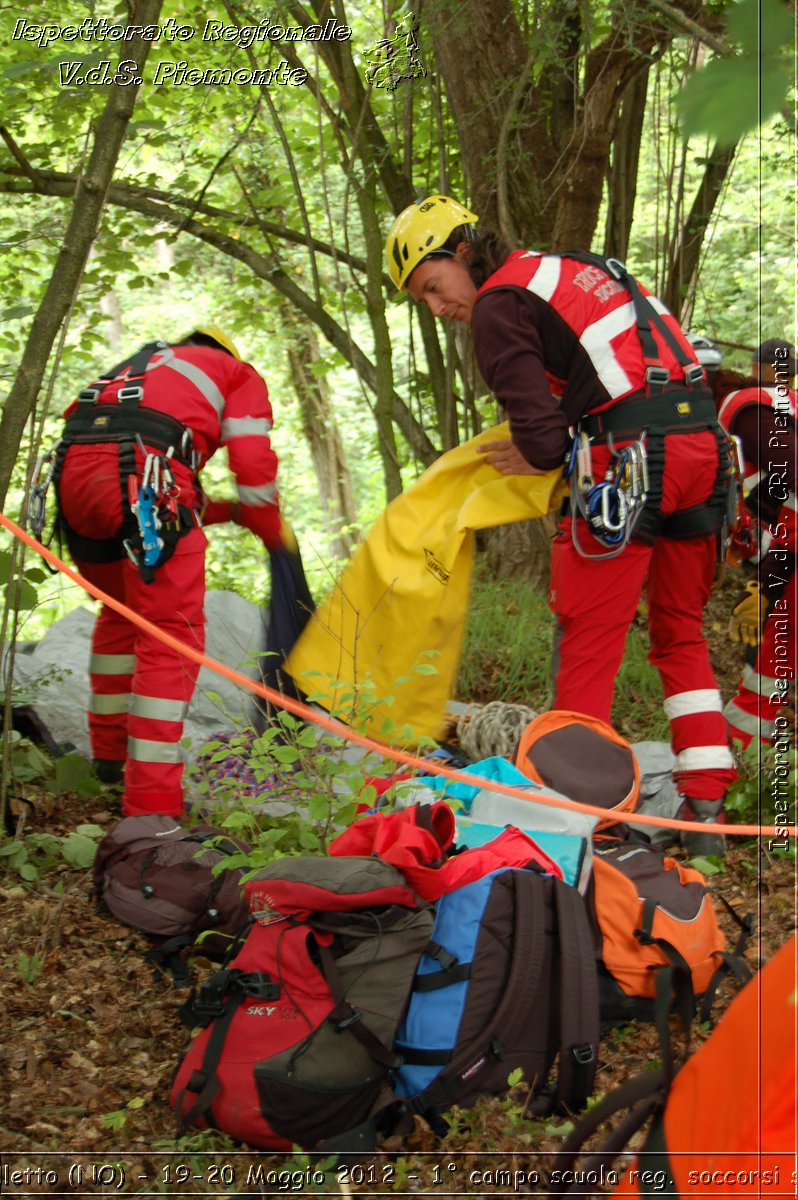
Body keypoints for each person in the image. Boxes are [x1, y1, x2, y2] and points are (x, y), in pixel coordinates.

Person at [385, 195, 738, 855]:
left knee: (589, 638)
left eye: (434, 287)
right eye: (422, 302)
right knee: (680, 633)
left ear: (462, 251)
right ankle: (709, 810)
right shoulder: (570, 268)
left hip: (627, 461)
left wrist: (544, 447)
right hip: (702, 446)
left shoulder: (499, 301)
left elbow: (543, 442)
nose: (437, 308)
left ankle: (583, 825)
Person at [52, 327, 285, 818]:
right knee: (170, 637)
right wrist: (267, 524)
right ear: (226, 353)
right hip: (145, 480)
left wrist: (226, 512)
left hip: (74, 482)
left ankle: (108, 762)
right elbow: (250, 460)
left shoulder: (134, 372)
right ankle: (152, 805)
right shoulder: (235, 373)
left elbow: (130, 462)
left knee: (120, 616)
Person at [718, 339, 797, 747]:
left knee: (769, 645)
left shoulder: (750, 404)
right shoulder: (788, 405)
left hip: (776, 539)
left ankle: (743, 749)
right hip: (777, 542)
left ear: (756, 366)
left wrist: (764, 585)